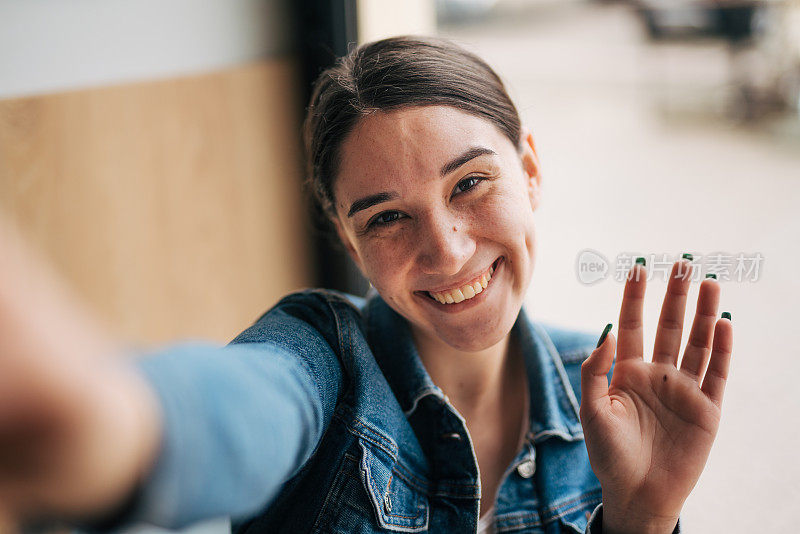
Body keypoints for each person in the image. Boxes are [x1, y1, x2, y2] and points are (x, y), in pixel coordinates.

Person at [0, 36, 733, 534]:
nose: (446, 251)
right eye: (386, 219)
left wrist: (641, 520)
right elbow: (247, 403)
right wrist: (108, 422)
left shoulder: (612, 398)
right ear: (345, 236)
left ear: (531, 170)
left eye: (471, 182)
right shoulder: (320, 358)